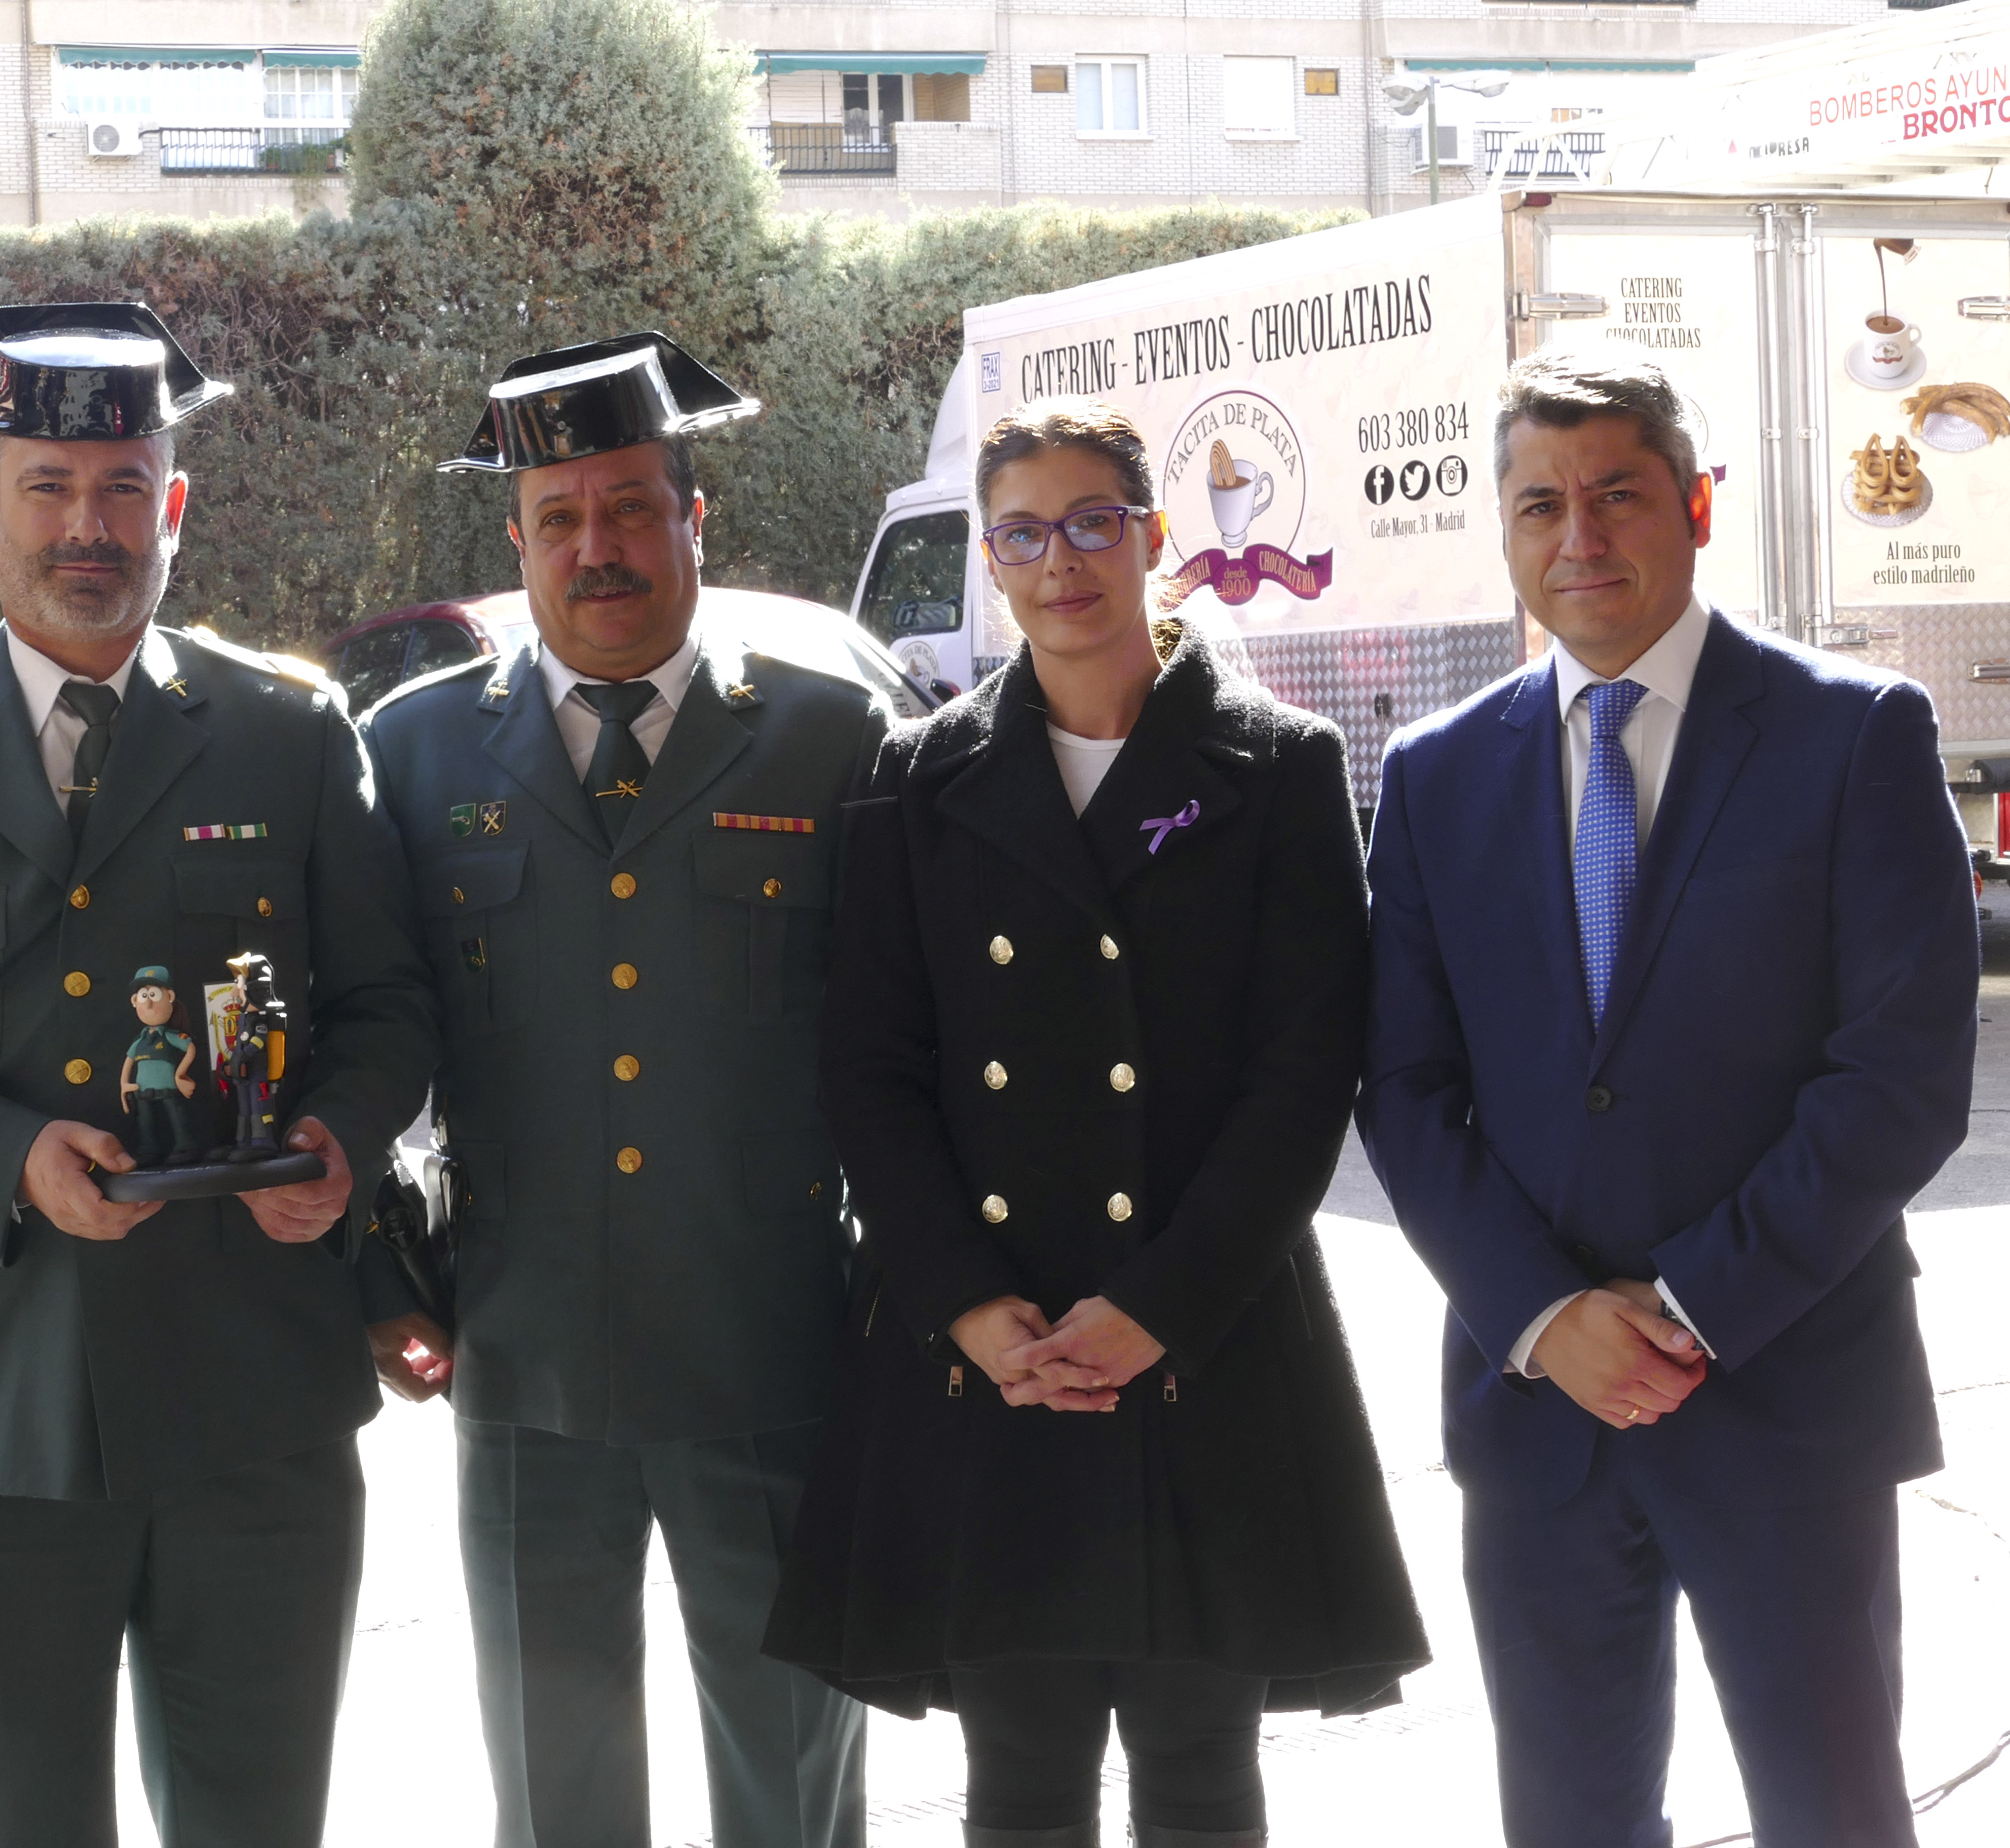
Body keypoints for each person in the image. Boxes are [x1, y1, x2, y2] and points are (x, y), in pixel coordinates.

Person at [0, 302, 440, 1847]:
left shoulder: (288, 734)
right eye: (48, 487)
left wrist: (341, 1132)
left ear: (174, 507)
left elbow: (387, 1001)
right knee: (9, 1821)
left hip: (253, 1383)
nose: (87, 527)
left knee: (258, 1820)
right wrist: (0, 1157)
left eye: (122, 488)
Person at [765, 397, 1427, 1848]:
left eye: (1090, 523)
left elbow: (1303, 1074)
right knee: (1020, 1787)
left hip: (1204, 1336)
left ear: (1153, 535)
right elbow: (871, 1069)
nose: (1058, 561)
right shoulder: (914, 775)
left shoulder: (1279, 763)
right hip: (994, 1355)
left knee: (1201, 1780)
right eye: (1021, 534)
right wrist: (965, 1305)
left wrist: (1157, 1309)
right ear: (989, 561)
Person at [1358, 351, 1974, 1848]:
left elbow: (1901, 1076)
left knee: (1832, 1816)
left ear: (1696, 505)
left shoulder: (1855, 733)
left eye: (1617, 494)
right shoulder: (1437, 775)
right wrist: (1543, 1315)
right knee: (1568, 1822)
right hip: (1540, 1413)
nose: (1579, 536)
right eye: (1539, 505)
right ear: (1505, 532)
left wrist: (1693, 1304)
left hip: (1784, 1396)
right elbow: (1403, 1086)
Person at [359, 332, 881, 1848]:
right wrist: (383, 1274)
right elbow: (357, 1037)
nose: (599, 548)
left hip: (770, 1352)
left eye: (634, 508)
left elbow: (900, 1050)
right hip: (524, 1364)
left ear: (693, 522)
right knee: (556, 1793)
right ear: (516, 541)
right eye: (561, 518)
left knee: (796, 1785)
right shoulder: (414, 749)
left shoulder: (831, 736)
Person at [120, 964, 201, 1166]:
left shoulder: (171, 1036)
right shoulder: (140, 1041)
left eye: (154, 995)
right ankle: (149, 1149)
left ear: (170, 997)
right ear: (134, 1001)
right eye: (143, 996)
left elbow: (190, 1049)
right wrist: (124, 1085)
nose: (148, 1004)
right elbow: (128, 1062)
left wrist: (180, 1075)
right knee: (145, 1123)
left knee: (177, 1118)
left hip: (168, 1089)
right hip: (143, 1092)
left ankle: (185, 1146)